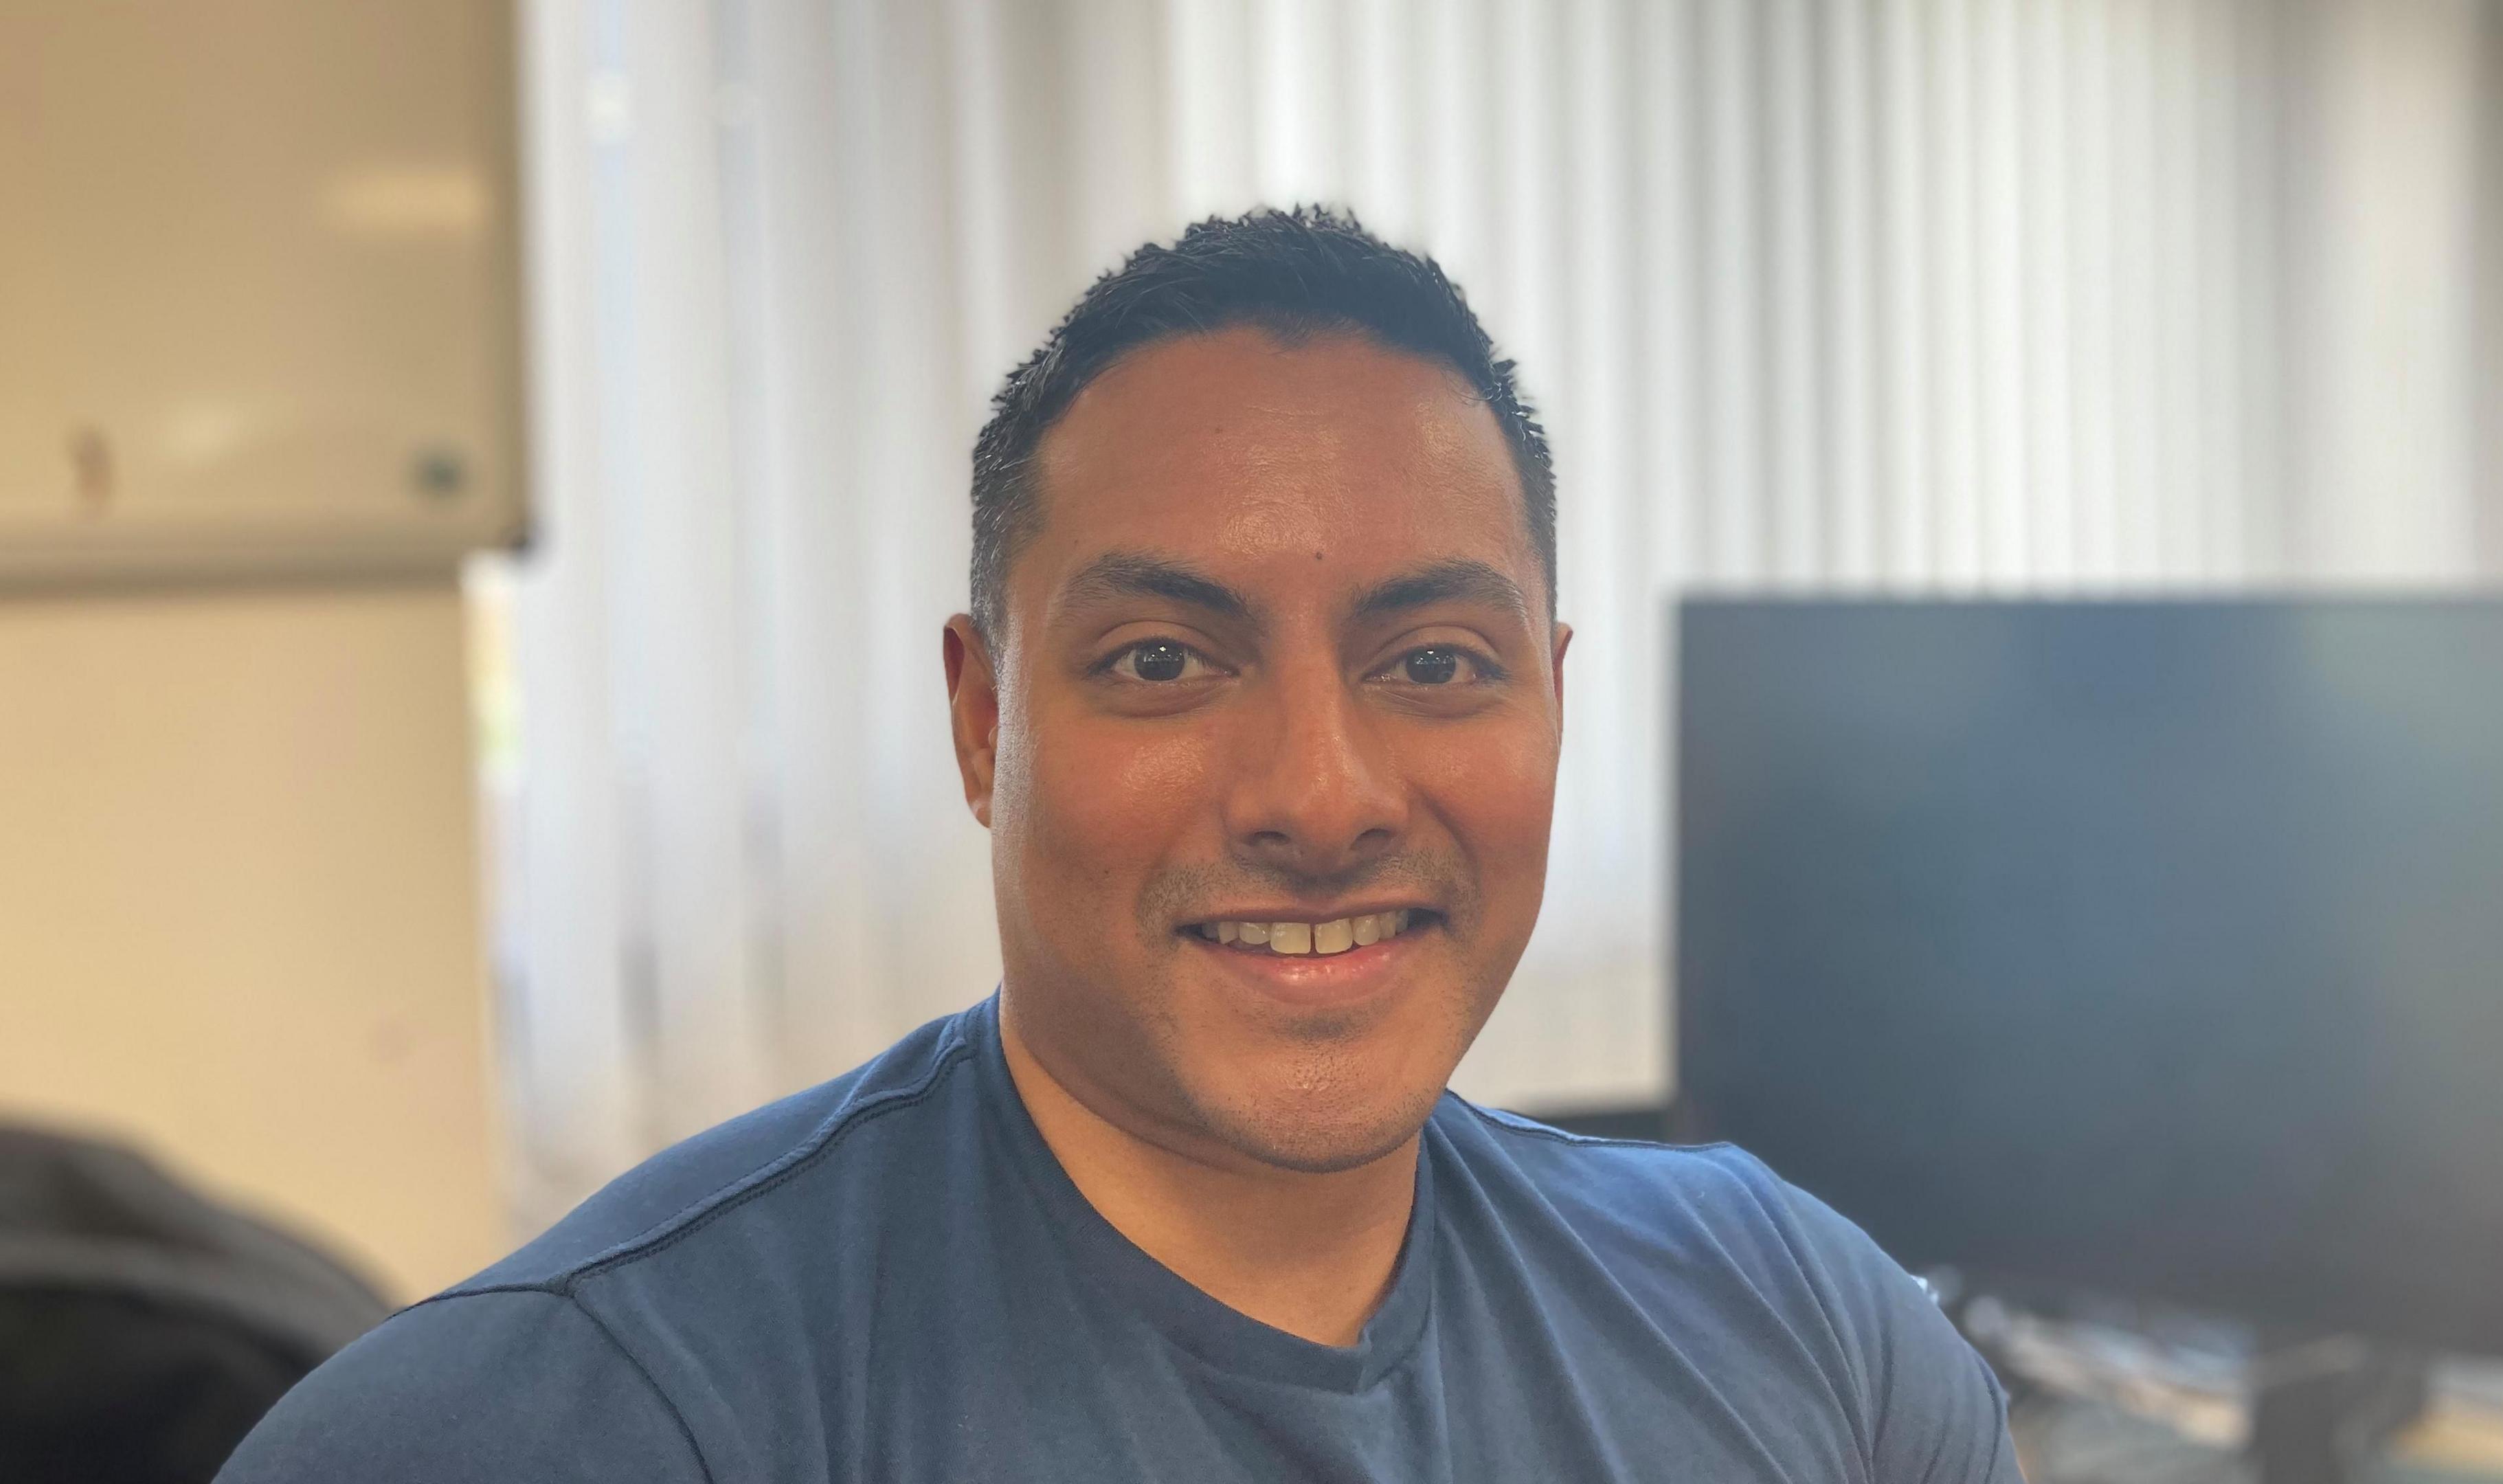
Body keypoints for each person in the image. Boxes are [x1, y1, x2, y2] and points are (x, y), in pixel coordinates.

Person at [220, 207, 2019, 1483]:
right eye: (1163, 660)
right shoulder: (571, 1420)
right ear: (985, 721)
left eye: (1436, 662)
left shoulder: (1814, 1339)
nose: (1323, 800)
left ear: (1550, 700)